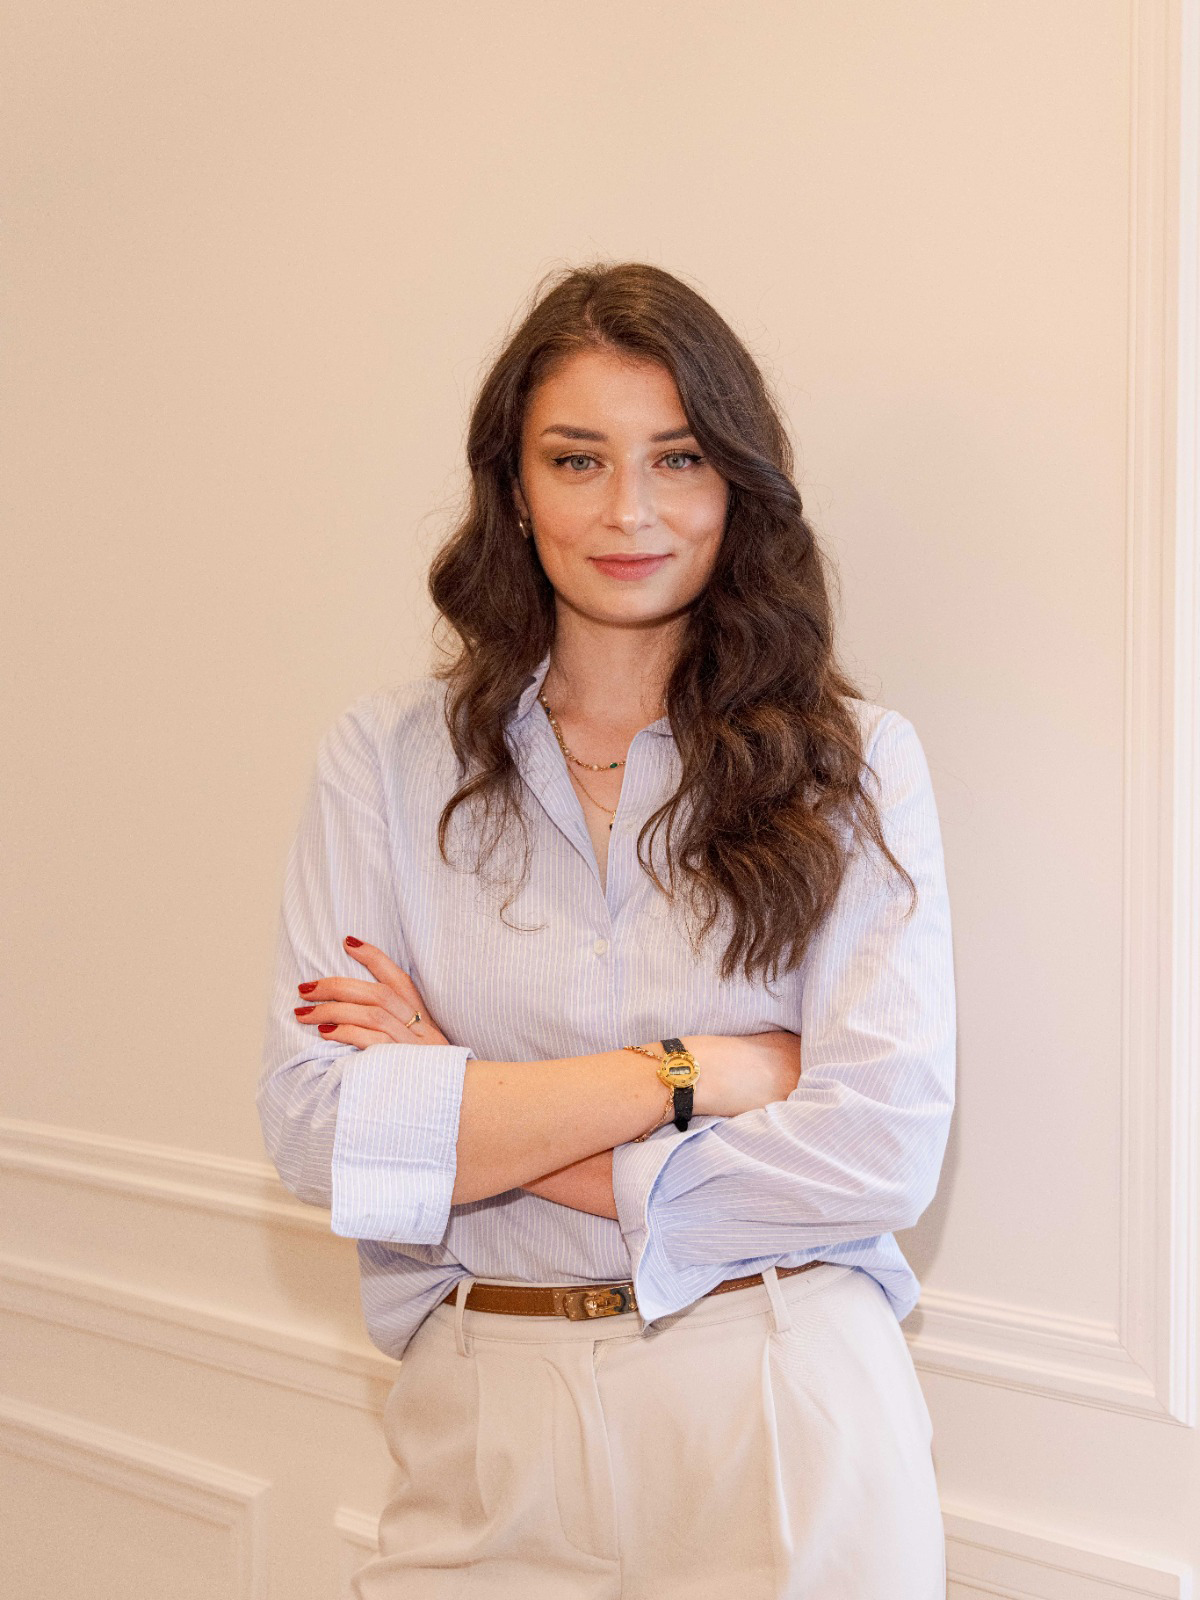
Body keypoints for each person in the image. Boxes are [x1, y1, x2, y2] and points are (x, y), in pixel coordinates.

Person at [257, 261, 956, 1599]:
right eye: (577, 461)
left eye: (678, 458)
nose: (629, 510)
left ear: (735, 487)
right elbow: (317, 1133)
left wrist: (461, 1106)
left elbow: (875, 1154)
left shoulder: (855, 765)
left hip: (775, 1398)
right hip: (482, 1414)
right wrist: (691, 1073)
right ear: (514, 490)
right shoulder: (385, 763)